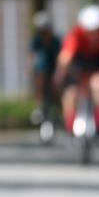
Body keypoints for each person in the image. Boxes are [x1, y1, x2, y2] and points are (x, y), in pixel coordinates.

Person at [54, 5, 99, 136]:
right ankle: (70, 125)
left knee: (98, 86)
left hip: (98, 62)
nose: (93, 34)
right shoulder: (76, 34)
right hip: (79, 62)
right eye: (89, 31)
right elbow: (66, 56)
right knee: (71, 94)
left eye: (97, 30)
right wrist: (60, 73)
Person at [30, 11, 61, 141]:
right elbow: (33, 56)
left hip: (55, 68)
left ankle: (59, 107)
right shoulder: (36, 40)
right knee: (40, 77)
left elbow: (61, 58)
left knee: (58, 85)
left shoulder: (56, 41)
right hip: (42, 69)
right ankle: (39, 105)